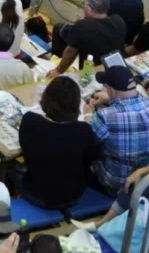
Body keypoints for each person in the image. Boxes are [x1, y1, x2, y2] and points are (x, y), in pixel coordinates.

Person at [18, 77, 103, 210]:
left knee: (11, 168)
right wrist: (88, 117)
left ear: (45, 98)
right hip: (74, 195)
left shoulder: (29, 120)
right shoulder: (83, 131)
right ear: (76, 105)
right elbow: (89, 160)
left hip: (36, 193)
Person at [87, 66, 149, 194]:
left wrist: (88, 114)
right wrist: (111, 99)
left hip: (118, 185)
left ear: (112, 90)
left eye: (106, 87)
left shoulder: (105, 116)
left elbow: (87, 141)